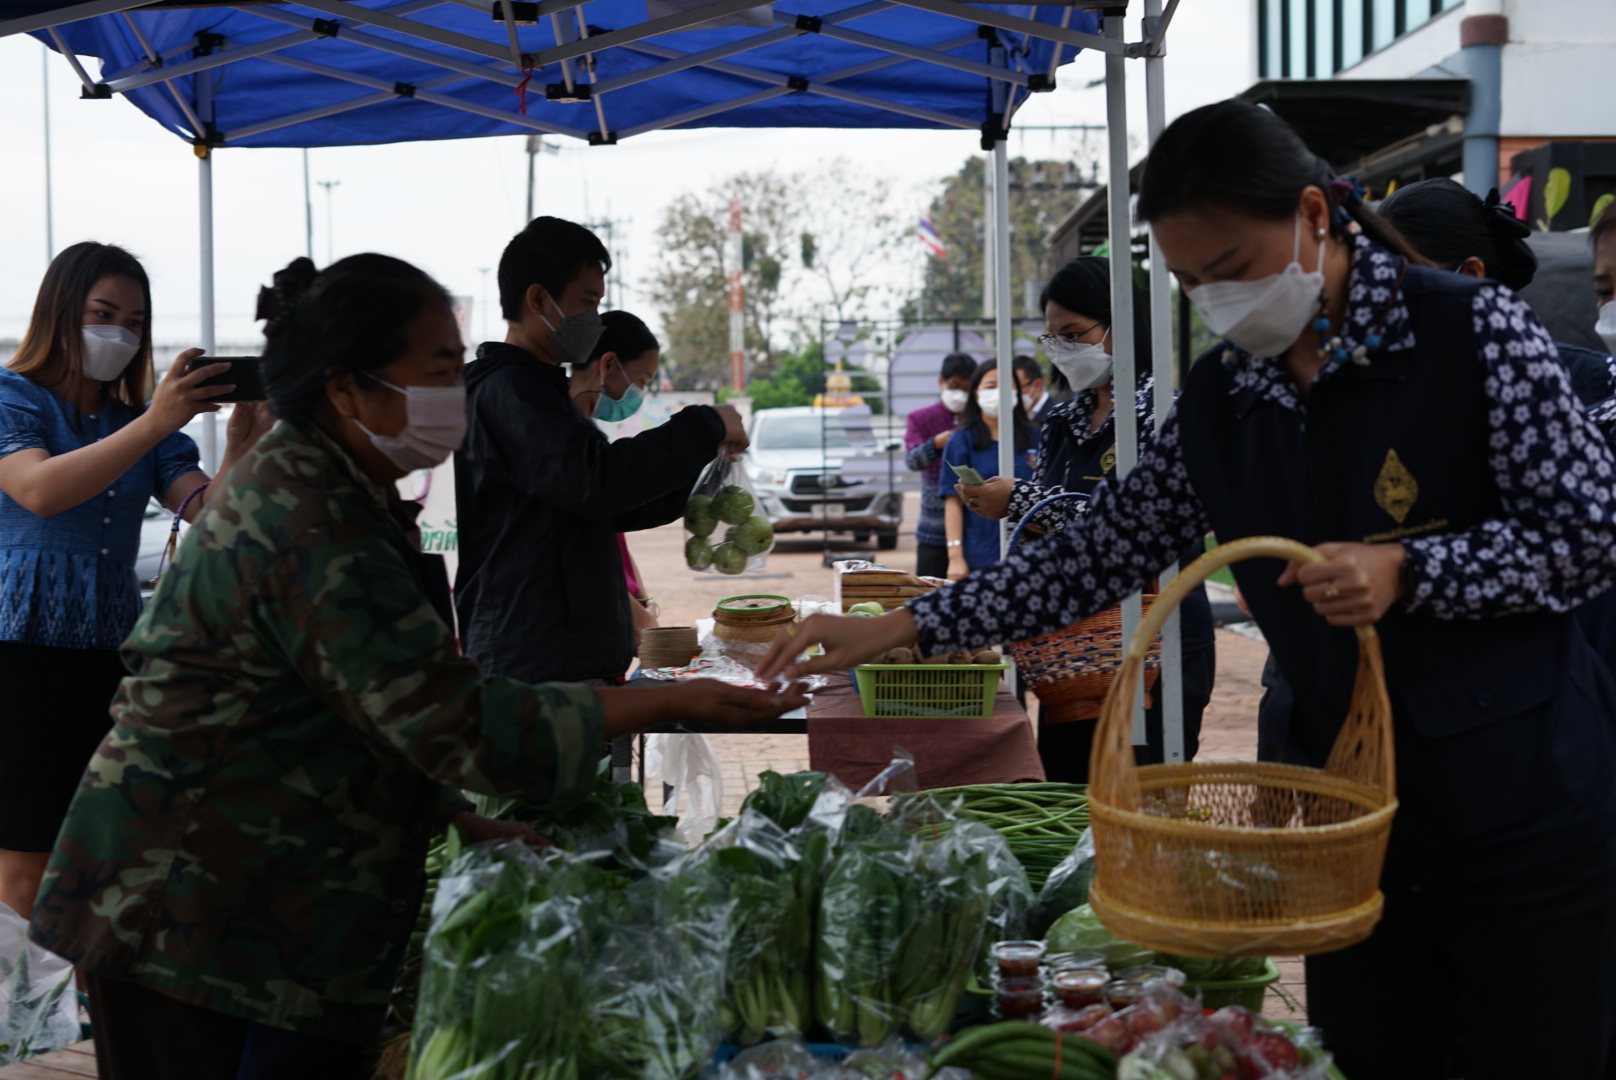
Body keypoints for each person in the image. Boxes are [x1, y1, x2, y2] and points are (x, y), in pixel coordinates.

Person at [761, 100, 1616, 1080]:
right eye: (1189, 283)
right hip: (1347, 821)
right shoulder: (1225, 394)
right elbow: (1100, 550)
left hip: (1525, 804)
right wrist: (910, 625)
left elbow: (1585, 537)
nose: (1218, 300)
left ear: (1308, 215)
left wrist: (1408, 569)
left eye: (1232, 269)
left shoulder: (1469, 336)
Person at [27, 253, 805, 1080]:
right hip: (190, 906)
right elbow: (454, 721)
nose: (453, 391)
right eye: (437, 369)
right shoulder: (305, 509)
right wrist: (667, 706)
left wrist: (456, 817)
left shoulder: (338, 487)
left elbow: (364, 704)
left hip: (262, 905)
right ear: (347, 387)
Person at [0, 242, 271, 921]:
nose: (119, 333)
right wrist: (157, 420)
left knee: (101, 850)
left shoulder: (142, 422)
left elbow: (210, 520)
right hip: (19, 653)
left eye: (135, 321)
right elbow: (36, 489)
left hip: (112, 658)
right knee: (24, 864)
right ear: (59, 311)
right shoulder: (13, 397)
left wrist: (241, 442)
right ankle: (28, 1022)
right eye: (102, 313)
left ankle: (87, 1015)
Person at [454, 219, 747, 688]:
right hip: (535, 662)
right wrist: (703, 424)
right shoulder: (511, 391)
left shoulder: (542, 391)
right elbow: (595, 481)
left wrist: (697, 475)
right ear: (538, 300)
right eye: (588, 302)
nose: (595, 319)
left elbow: (598, 505)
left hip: (566, 653)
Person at [957, 257, 1216, 780]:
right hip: (1070, 657)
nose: (1063, 350)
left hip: (1155, 645)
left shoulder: (1168, 414)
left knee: (1139, 802)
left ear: (1122, 325)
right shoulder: (1062, 420)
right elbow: (1054, 534)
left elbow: (1143, 526)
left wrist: (1026, 502)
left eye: (1075, 334)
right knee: (1071, 803)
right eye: (1054, 339)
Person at [1379, 177, 1616, 404]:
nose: (1373, 302)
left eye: (1396, 283)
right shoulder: (1371, 385)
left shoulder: (1586, 381)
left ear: (1470, 276)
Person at [562, 310, 670, 652]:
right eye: (641, 381)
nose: (640, 394)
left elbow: (610, 535)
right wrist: (639, 619)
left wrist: (641, 598)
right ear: (608, 364)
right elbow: (578, 551)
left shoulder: (590, 439)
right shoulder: (562, 445)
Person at [939, 359, 1035, 579]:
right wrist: (955, 556)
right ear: (976, 394)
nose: (999, 393)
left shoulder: (1036, 436)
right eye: (991, 386)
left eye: (1006, 385)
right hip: (979, 554)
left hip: (1031, 556)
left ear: (1017, 393)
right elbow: (952, 499)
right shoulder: (961, 440)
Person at [904, 351, 975, 578]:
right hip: (933, 532)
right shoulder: (921, 418)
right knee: (929, 598)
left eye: (967, 389)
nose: (961, 394)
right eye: (955, 386)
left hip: (975, 530)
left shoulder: (983, 418)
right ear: (941, 382)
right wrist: (936, 443)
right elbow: (912, 460)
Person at [1012, 354, 1054, 427]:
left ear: (1037, 385)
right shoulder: (1012, 415)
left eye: (1018, 388)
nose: (1013, 393)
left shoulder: (1057, 417)